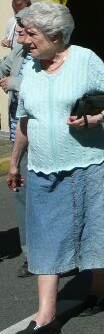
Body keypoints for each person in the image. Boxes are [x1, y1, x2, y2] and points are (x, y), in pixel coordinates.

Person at [6, 1, 104, 334]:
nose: (25, 41)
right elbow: (25, 121)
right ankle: (46, 315)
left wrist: (97, 119)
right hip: (42, 170)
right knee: (44, 239)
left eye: (32, 34)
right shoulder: (31, 70)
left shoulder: (84, 59)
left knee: (94, 230)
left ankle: (101, 287)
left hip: (87, 164)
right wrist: (14, 161)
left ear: (56, 35)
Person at [1, 22, 33, 277]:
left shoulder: (53, 57)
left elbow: (49, 86)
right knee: (22, 195)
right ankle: (30, 255)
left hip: (44, 141)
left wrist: (17, 83)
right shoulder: (18, 53)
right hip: (18, 138)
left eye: (23, 30)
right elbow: (3, 69)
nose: (17, 34)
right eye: (17, 31)